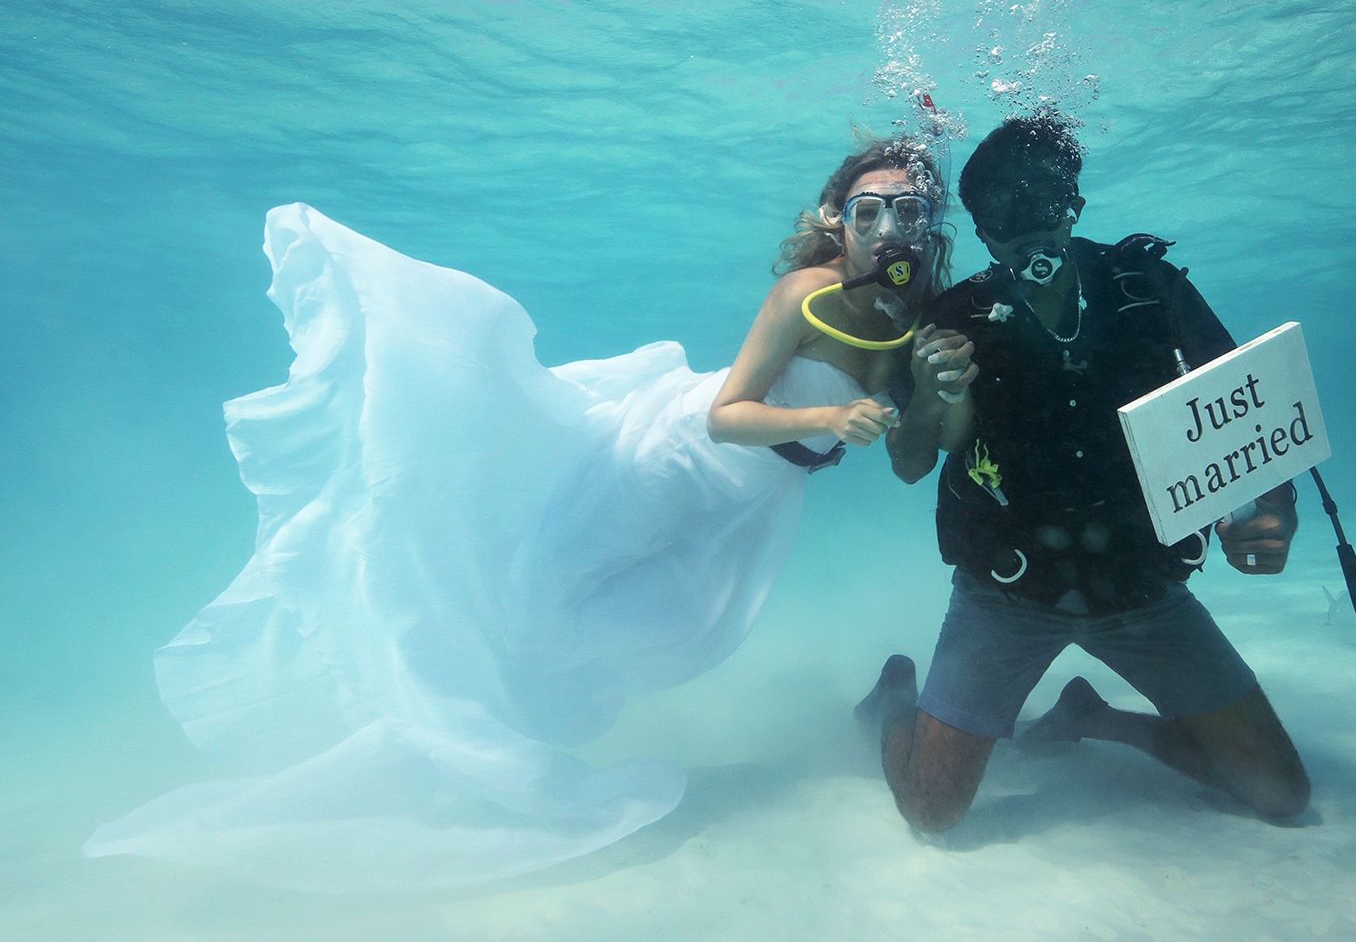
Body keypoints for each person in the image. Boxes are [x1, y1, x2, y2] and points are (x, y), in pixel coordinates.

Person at [86, 136, 971, 892]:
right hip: (675, 459)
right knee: (537, 590)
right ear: (836, 219)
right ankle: (441, 739)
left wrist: (932, 398)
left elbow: (905, 464)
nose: (888, 234)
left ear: (929, 227)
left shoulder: (914, 315)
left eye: (908, 215)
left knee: (666, 630)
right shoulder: (802, 297)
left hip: (756, 499)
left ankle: (480, 733)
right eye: (868, 213)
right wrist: (824, 417)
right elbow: (724, 414)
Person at [856, 114, 1310, 834]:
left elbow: (1248, 402)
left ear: (1074, 204)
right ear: (981, 228)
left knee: (1283, 793)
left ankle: (1090, 717)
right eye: (1006, 211)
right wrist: (926, 390)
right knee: (931, 811)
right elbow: (911, 464)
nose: (1028, 227)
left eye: (1044, 202)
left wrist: (1272, 505)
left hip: (1139, 583)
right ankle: (894, 696)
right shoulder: (953, 318)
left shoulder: (1148, 287)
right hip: (1007, 589)